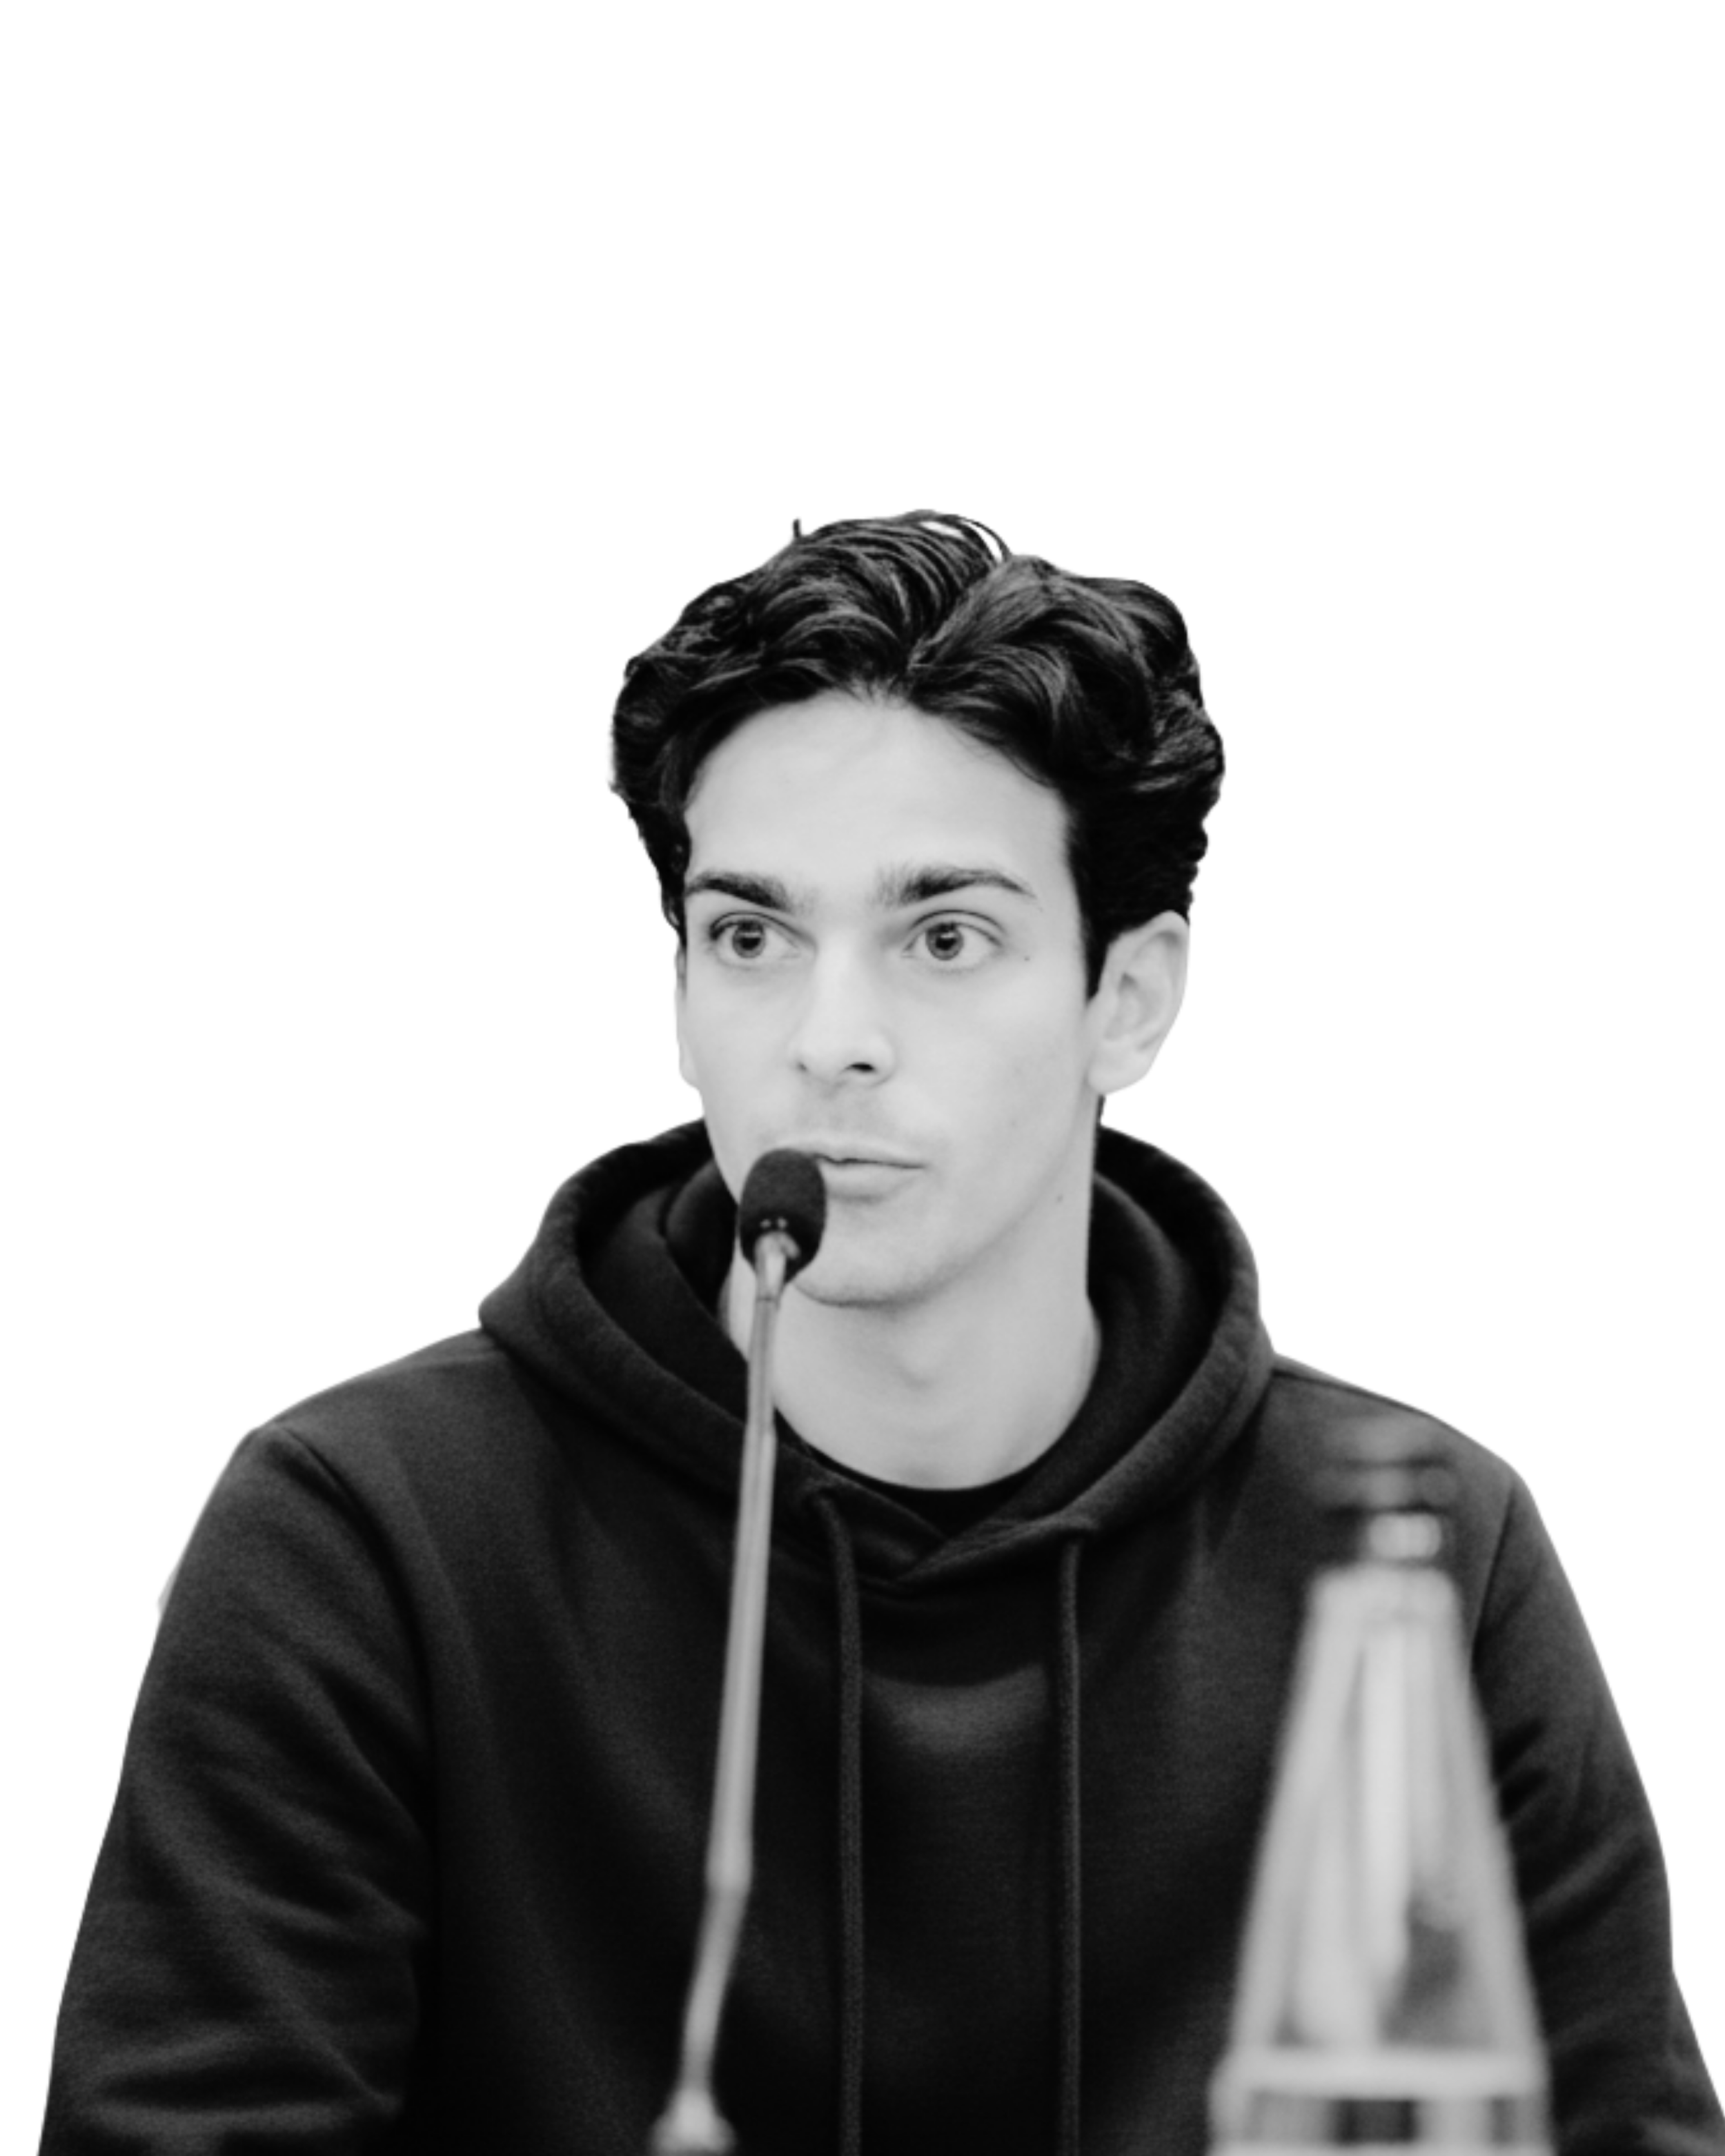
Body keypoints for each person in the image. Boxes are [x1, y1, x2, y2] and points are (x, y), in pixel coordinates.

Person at [41, 513, 1718, 2153]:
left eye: (944, 936)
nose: (827, 1037)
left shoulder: (1413, 1545)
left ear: (1129, 1000)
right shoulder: (363, 1528)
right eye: (750, 935)